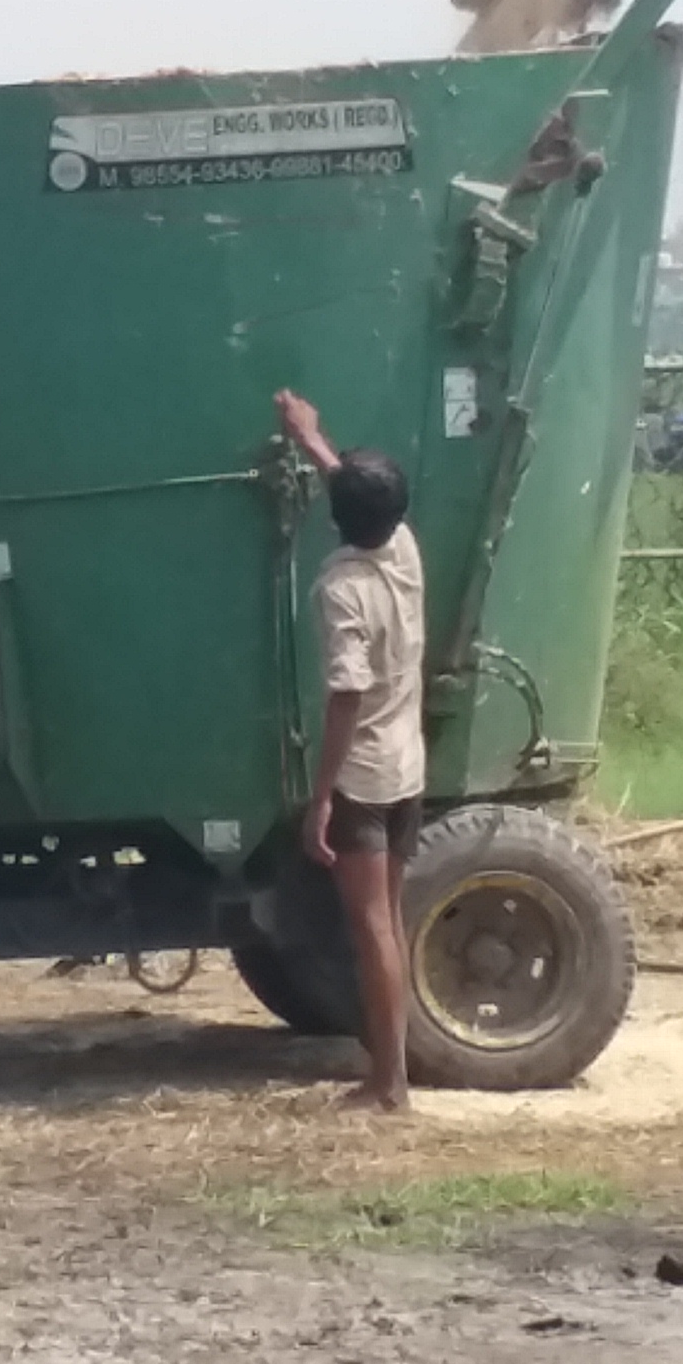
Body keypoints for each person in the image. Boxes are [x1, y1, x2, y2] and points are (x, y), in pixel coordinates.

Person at [276, 390, 424, 1113]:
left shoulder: (341, 590)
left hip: (364, 775)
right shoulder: (403, 551)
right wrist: (315, 441)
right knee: (390, 922)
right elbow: (363, 498)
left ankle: (389, 1083)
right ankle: (393, 1071)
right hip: (409, 765)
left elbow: (345, 695)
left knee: (370, 933)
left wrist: (322, 795)